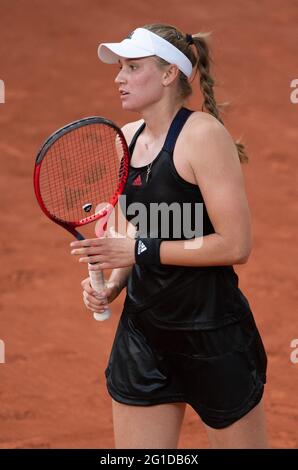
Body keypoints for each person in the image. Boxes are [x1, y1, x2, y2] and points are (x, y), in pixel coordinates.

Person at [70, 24, 268, 449]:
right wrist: (115, 283)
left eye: (132, 67)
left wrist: (136, 251)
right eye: (120, 67)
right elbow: (133, 232)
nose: (118, 78)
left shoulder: (203, 136)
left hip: (212, 334)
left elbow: (235, 245)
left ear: (168, 75)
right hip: (144, 335)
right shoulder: (126, 139)